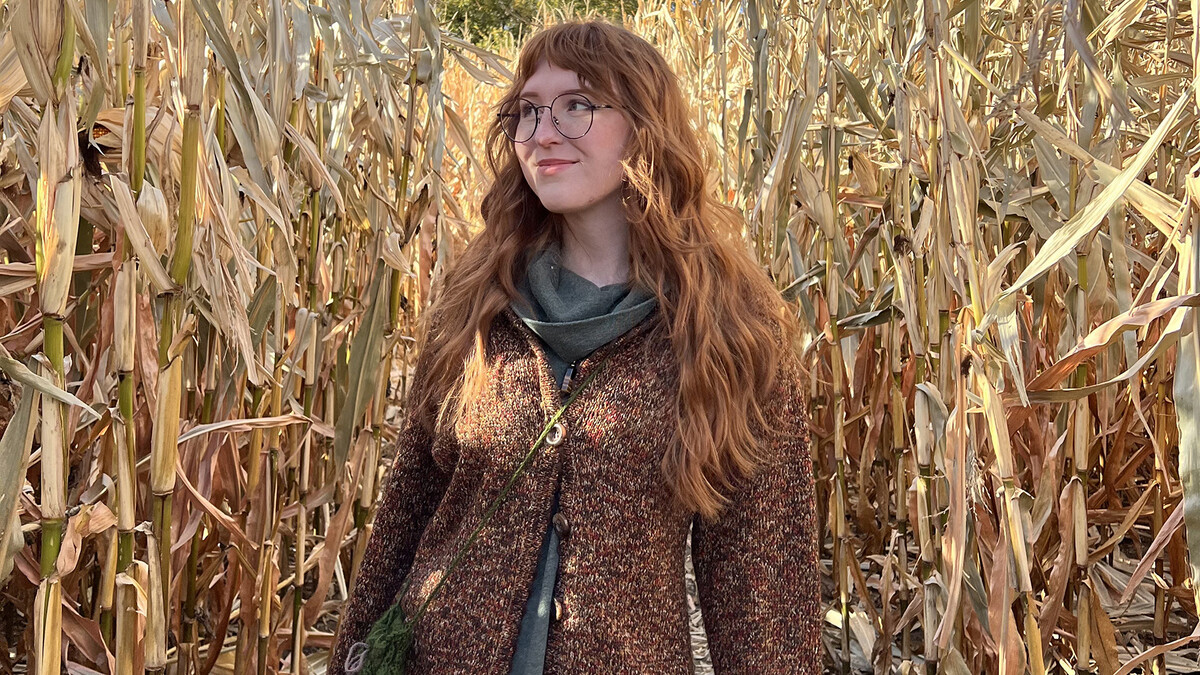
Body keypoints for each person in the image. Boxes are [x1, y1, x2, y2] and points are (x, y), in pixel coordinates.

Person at [328, 19, 823, 675]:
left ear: (645, 126)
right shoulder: (477, 302)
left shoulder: (727, 330)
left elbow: (763, 583)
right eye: (527, 112)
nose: (542, 132)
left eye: (577, 106)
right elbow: (409, 510)